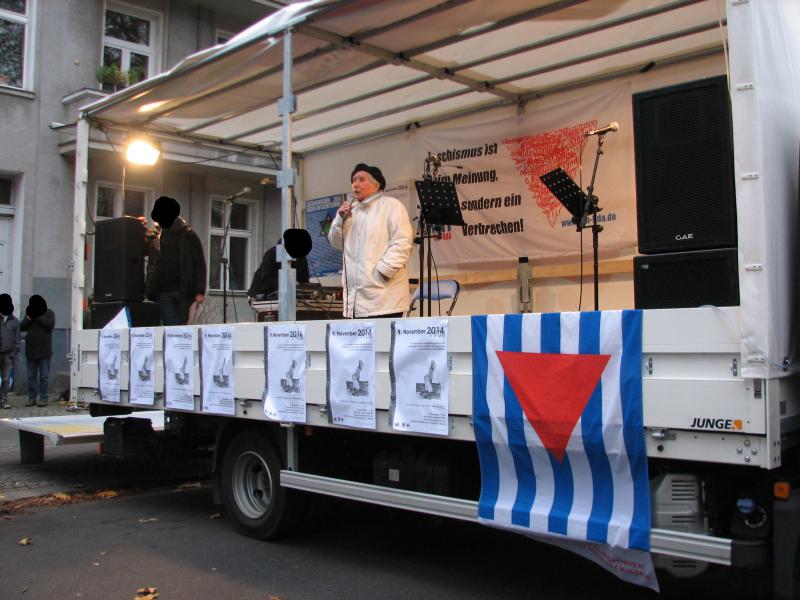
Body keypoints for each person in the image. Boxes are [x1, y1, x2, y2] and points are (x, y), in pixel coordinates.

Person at [327, 163, 413, 318]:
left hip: (385, 299)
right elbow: (336, 242)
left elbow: (402, 243)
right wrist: (339, 219)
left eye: (361, 179)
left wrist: (382, 273)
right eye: (354, 180)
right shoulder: (351, 212)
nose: (355, 184)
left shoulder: (391, 206)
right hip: (355, 303)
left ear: (376, 184)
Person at [146, 196, 207, 326]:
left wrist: (200, 291)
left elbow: (199, 264)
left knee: (180, 328)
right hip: (163, 292)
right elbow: (145, 252)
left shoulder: (188, 235)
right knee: (173, 328)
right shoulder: (156, 235)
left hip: (184, 291)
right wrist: (141, 229)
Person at [20, 294, 54, 407]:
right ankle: (32, 398)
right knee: (31, 377)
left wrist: (37, 316)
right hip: (31, 351)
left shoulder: (49, 313)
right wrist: (28, 319)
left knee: (44, 377)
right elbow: (22, 326)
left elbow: (50, 325)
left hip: (44, 351)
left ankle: (43, 398)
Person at [0, 293, 20, 409]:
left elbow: (17, 341)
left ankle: (4, 399)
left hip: (8, 355)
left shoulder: (15, 321)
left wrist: (12, 354)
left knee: (6, 379)